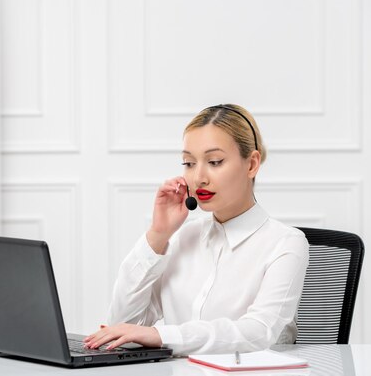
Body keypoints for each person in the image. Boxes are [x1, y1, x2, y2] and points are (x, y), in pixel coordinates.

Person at [84, 104, 309, 356]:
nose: (198, 177)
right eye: (189, 163)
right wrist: (158, 235)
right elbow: (121, 325)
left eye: (214, 161)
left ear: (251, 164)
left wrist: (161, 336)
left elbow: (259, 332)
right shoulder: (184, 237)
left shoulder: (286, 243)